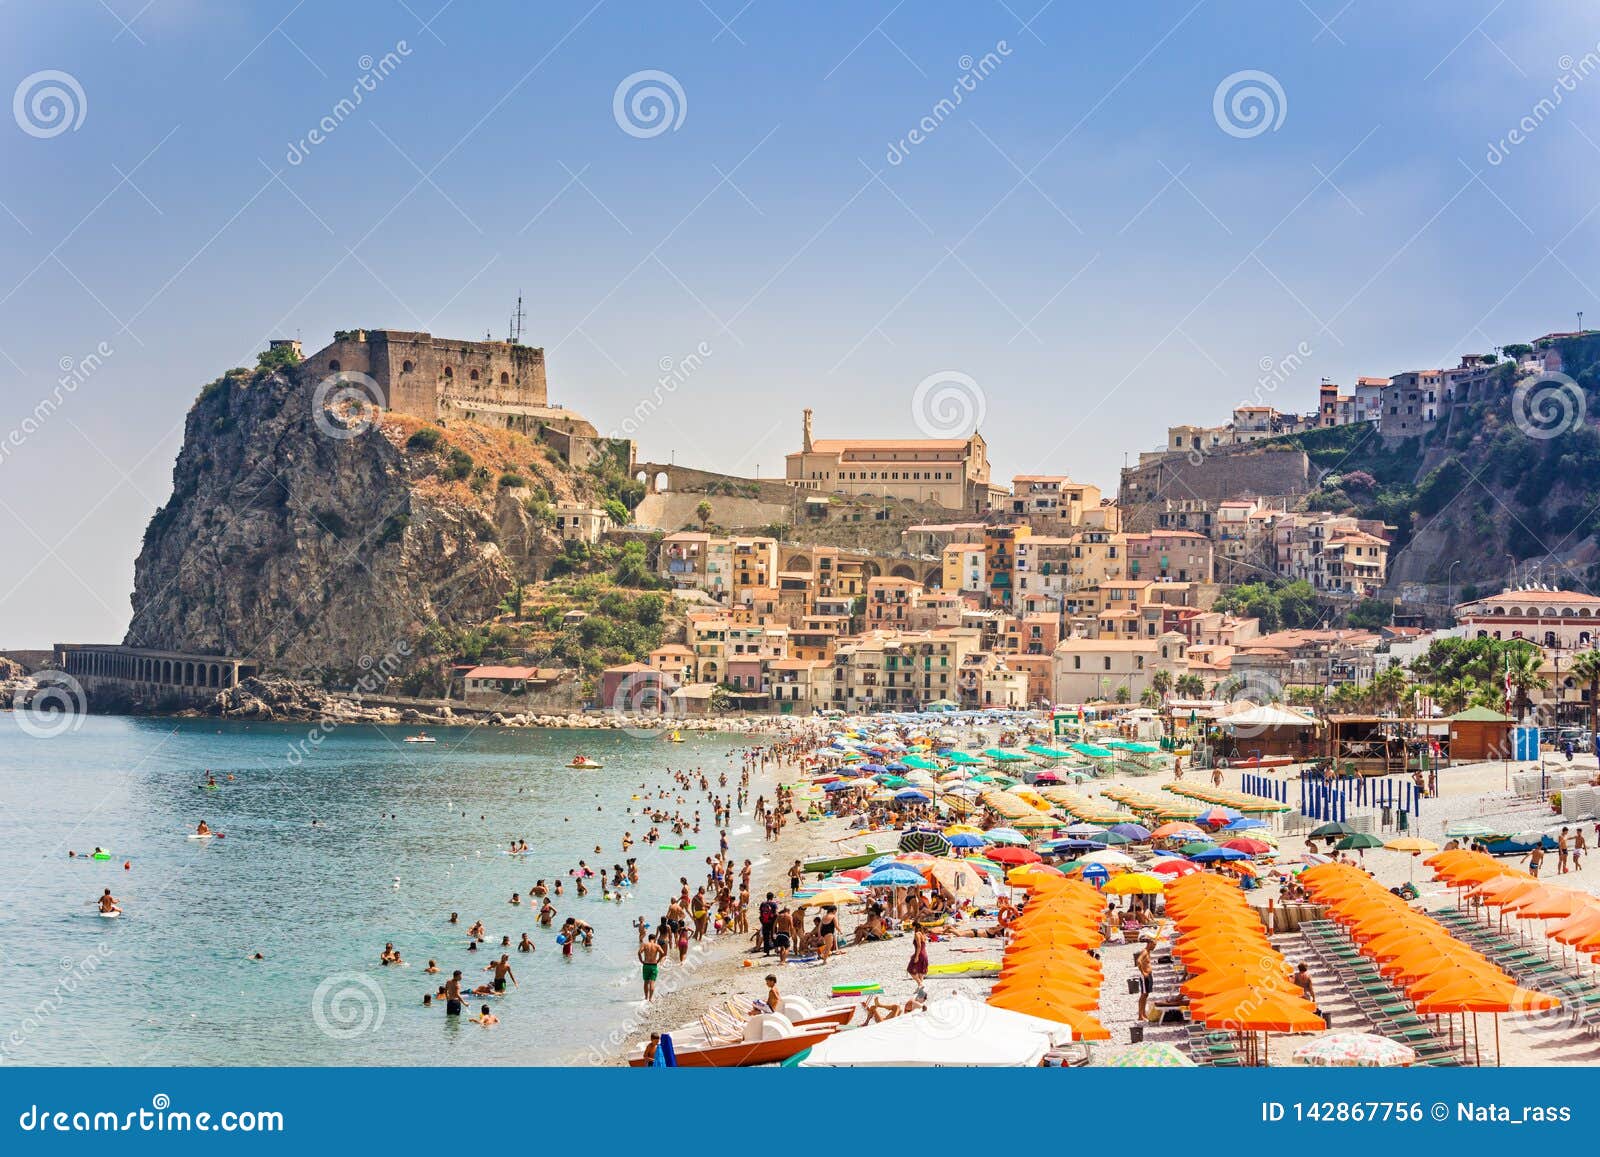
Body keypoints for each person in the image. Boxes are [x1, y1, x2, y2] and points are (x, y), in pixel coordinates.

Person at [638, 933, 667, 1002]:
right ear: (655, 939)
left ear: (648, 939)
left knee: (646, 982)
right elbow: (663, 953)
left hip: (646, 965)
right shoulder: (657, 946)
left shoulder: (645, 945)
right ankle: (650, 999)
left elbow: (639, 952)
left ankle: (646, 997)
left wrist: (641, 960)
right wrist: (658, 960)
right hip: (653, 965)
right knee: (652, 983)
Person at [1135, 942, 1154, 1021]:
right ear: (1149, 943)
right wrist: (1143, 972)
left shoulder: (1148, 952)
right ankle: (1140, 1015)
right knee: (1143, 995)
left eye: (1155, 945)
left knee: (1146, 995)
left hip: (1148, 975)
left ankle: (1143, 1013)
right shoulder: (1145, 951)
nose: (1154, 947)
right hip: (1145, 976)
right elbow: (1138, 961)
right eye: (1153, 945)